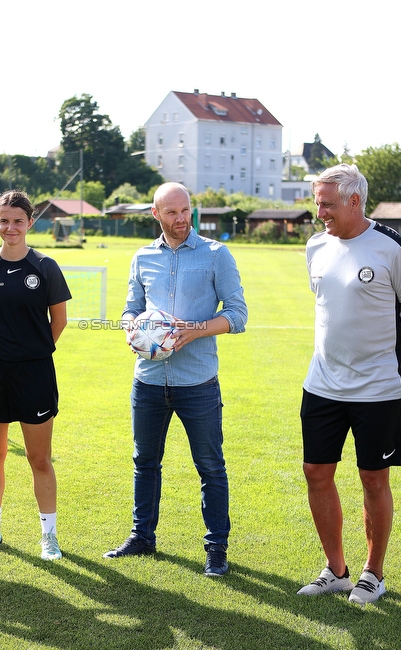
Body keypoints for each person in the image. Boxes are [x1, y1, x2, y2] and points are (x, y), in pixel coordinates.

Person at [296, 164, 401, 604]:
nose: (320, 212)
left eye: (327, 204)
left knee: (373, 478)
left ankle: (373, 573)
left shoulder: (391, 247)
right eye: (318, 202)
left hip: (377, 390)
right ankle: (335, 570)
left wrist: (390, 361)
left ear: (355, 200)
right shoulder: (316, 246)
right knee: (316, 473)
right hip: (322, 383)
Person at [103, 182, 247, 577]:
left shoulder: (216, 254)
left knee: (210, 466)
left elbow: (237, 315)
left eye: (186, 211)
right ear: (156, 214)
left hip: (198, 383)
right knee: (144, 462)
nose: (181, 219)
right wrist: (133, 330)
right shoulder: (142, 257)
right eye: (172, 213)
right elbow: (129, 310)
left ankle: (216, 548)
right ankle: (142, 537)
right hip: (148, 381)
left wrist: (193, 330)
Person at [0, 189, 70, 561]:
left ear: (30, 223)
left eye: (18, 221)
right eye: (4, 221)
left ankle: (49, 537)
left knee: (39, 459)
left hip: (34, 373)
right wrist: (4, 349)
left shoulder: (44, 267)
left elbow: (59, 321)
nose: (11, 227)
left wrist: (32, 350)